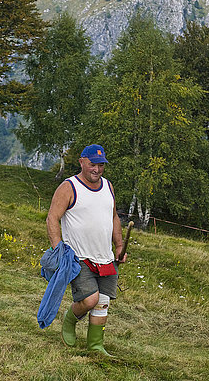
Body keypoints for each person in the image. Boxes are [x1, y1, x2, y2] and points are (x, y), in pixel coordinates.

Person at [46, 143, 127, 356]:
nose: (97, 170)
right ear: (82, 162)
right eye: (92, 164)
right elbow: (52, 218)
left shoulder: (108, 186)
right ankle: (69, 319)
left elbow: (113, 217)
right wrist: (58, 250)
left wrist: (119, 246)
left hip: (105, 256)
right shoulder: (68, 187)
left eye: (101, 165)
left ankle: (95, 347)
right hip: (78, 257)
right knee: (90, 299)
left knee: (102, 302)